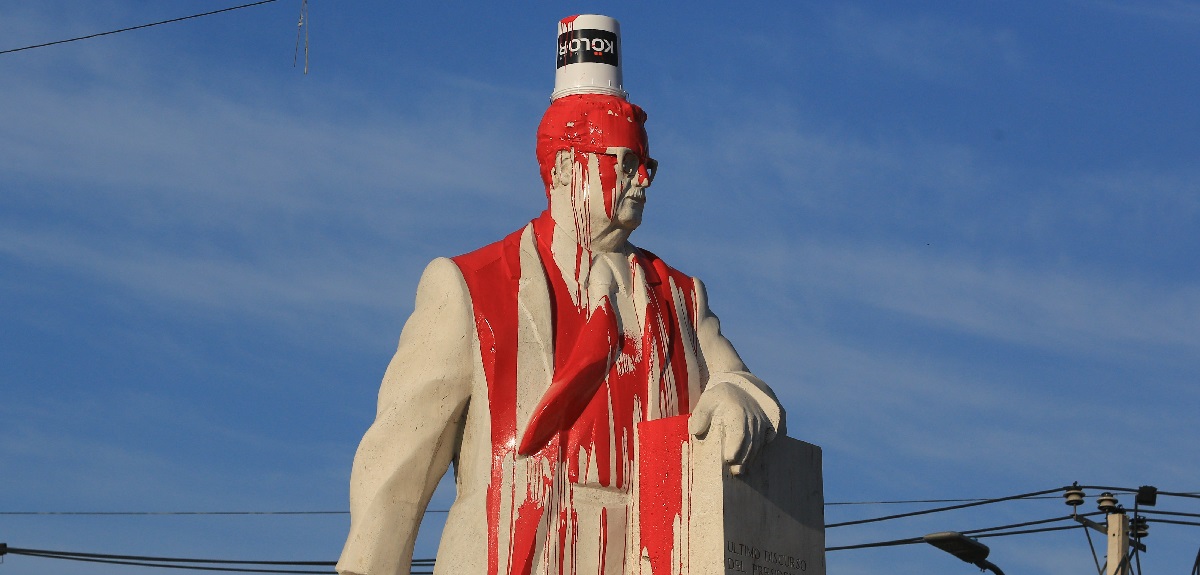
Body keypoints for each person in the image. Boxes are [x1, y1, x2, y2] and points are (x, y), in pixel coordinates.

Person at [335, 93, 785, 575]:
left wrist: (738, 399)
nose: (645, 178)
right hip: (508, 553)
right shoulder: (469, 287)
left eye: (648, 163)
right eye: (628, 161)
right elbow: (398, 463)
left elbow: (740, 383)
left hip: (644, 555)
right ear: (567, 167)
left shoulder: (681, 297)